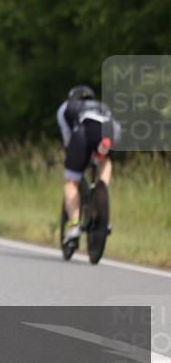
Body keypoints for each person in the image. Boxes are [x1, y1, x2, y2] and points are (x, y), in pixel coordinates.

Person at [57, 85, 120, 251]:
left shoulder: (66, 106)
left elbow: (68, 140)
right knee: (105, 159)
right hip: (110, 130)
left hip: (84, 131)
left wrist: (73, 159)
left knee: (71, 182)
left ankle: (74, 227)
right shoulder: (101, 105)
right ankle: (101, 193)